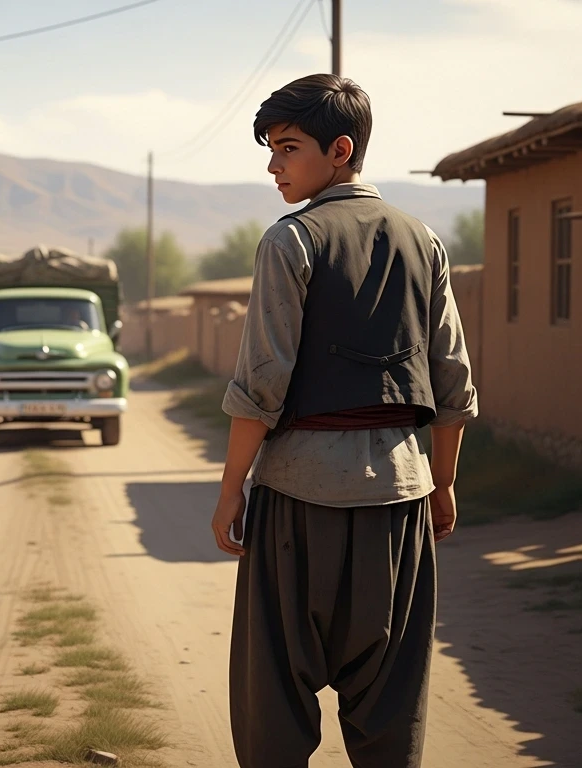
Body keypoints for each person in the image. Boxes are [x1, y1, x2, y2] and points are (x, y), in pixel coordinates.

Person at [210, 74, 478, 768]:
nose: (273, 166)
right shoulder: (425, 241)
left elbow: (261, 386)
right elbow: (453, 382)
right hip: (402, 500)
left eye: (287, 148)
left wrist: (231, 487)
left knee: (274, 700)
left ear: (339, 149)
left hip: (299, 500)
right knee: (391, 705)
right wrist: (443, 484)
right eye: (270, 150)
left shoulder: (290, 243)